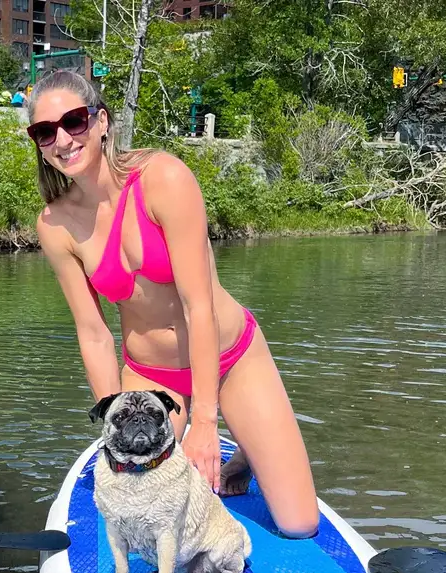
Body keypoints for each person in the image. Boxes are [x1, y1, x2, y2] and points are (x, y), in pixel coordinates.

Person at [27, 69, 319, 538]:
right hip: (150, 375)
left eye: (74, 121)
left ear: (101, 122)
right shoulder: (54, 225)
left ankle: (246, 446)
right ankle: (229, 438)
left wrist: (206, 420)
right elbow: (94, 333)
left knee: (299, 523)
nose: (63, 139)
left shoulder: (163, 178)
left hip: (230, 358)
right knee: (136, 514)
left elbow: (198, 305)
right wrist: (113, 422)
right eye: (45, 131)